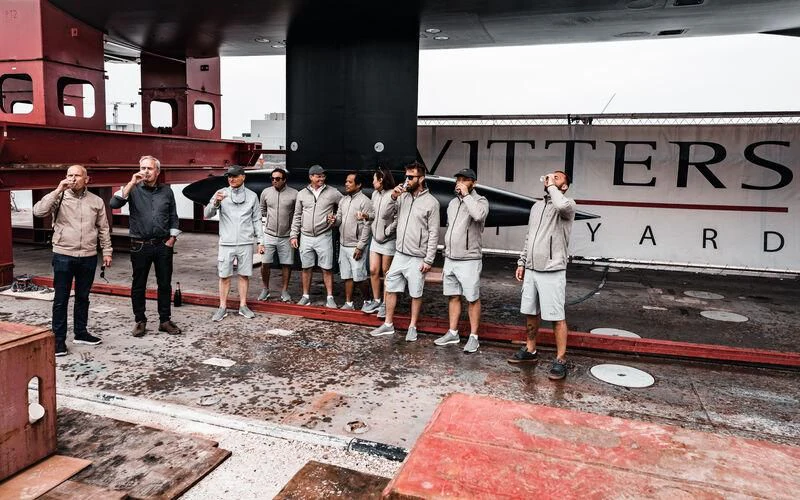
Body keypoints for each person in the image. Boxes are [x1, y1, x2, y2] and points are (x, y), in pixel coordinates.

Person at [33, 165, 112, 357]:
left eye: (77, 175)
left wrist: (107, 251)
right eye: (69, 175)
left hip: (88, 256)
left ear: (87, 179)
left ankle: (81, 333)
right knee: (61, 299)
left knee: (83, 297)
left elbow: (103, 228)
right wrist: (58, 189)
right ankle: (58, 340)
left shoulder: (96, 201)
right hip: (63, 254)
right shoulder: (59, 197)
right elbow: (38, 211)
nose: (73, 178)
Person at [508, 170, 576, 380]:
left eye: (558, 178)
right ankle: (530, 351)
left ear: (564, 186)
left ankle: (561, 359)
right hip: (532, 269)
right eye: (550, 177)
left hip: (553, 270)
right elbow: (530, 237)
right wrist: (522, 262)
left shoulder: (567, 204)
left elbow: (561, 205)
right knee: (530, 312)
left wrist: (553, 188)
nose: (551, 179)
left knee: (556, 317)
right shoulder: (537, 207)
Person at [110, 155, 181, 337]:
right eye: (143, 168)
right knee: (138, 284)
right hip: (140, 245)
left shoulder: (167, 191)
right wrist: (131, 183)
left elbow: (173, 215)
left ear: (157, 171)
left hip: (163, 244)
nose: (145, 172)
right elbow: (114, 203)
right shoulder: (132, 189)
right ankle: (140, 321)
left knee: (164, 284)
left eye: (149, 168)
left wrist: (172, 238)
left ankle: (164, 320)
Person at [369, 162, 440, 341]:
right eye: (406, 176)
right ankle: (388, 324)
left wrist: (429, 259)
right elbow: (384, 215)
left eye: (411, 177)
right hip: (400, 253)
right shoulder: (402, 197)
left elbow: (434, 233)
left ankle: (412, 326)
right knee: (391, 286)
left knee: (416, 293)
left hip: (417, 256)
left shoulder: (431, 203)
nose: (407, 180)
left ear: (421, 178)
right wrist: (393, 196)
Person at [433, 168, 489, 354]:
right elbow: (450, 228)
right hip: (451, 258)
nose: (460, 183)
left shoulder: (480, 201)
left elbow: (479, 216)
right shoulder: (451, 204)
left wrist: (466, 196)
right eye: (458, 180)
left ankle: (474, 337)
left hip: (469, 259)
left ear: (473, 182)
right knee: (453, 296)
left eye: (464, 180)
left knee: (472, 298)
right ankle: (453, 332)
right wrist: (446, 251)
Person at [204, 165, 265, 321]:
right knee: (224, 276)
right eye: (229, 176)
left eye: (234, 176)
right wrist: (216, 203)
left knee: (244, 275)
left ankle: (243, 306)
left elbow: (257, 219)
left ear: (243, 177)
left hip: (245, 242)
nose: (231, 179)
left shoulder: (252, 196)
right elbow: (207, 214)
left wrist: (260, 241)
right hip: (227, 242)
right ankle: (222, 307)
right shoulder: (221, 193)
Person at [290, 164, 342, 308]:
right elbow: (297, 215)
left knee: (327, 268)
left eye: (323, 176)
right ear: (311, 177)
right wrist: (294, 235)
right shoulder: (301, 194)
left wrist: (336, 219)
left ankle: (330, 297)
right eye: (318, 176)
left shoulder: (333, 192)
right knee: (306, 267)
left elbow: (345, 206)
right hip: (305, 236)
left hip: (323, 235)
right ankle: (305, 296)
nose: (322, 178)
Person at [333, 171, 373, 310]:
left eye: (350, 182)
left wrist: (360, 246)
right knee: (347, 275)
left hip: (356, 246)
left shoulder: (365, 202)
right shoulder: (343, 200)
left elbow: (367, 227)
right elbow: (338, 220)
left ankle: (368, 301)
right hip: (344, 244)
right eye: (346, 181)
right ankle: (349, 303)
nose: (346, 184)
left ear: (359, 184)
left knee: (359, 276)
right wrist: (333, 221)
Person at [257, 168, 297, 303]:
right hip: (269, 234)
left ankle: (284, 291)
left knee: (286, 264)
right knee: (265, 263)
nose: (275, 181)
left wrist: (293, 234)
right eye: (272, 178)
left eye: (278, 179)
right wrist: (261, 234)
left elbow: (297, 215)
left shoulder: (294, 194)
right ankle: (265, 289)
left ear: (284, 179)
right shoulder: (266, 193)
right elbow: (262, 211)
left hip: (286, 236)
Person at [362, 167, 397, 317]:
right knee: (373, 270)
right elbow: (374, 214)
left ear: (381, 180)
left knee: (386, 272)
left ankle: (385, 303)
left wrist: (387, 231)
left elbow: (398, 218)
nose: (372, 182)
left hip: (388, 240)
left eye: (374, 179)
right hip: (375, 239)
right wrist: (366, 216)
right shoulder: (375, 194)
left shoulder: (394, 195)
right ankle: (376, 301)